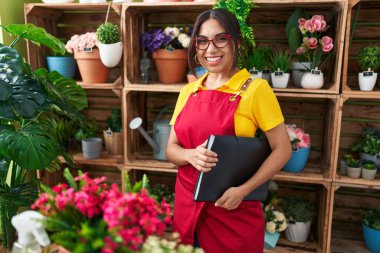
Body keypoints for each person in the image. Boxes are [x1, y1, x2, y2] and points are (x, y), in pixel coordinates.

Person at [166, 8, 292, 253]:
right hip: (187, 208)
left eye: (220, 39)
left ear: (236, 42)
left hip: (231, 210)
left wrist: (243, 191)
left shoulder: (255, 90)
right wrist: (190, 155)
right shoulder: (188, 91)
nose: (210, 49)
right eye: (202, 41)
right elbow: (171, 150)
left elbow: (283, 149)